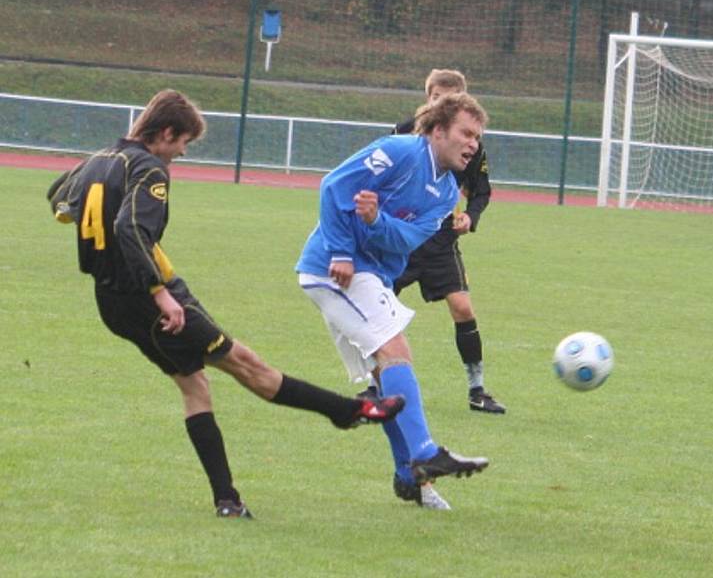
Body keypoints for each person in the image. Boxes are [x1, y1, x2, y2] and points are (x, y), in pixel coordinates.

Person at [46, 89, 405, 520]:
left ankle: (227, 499)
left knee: (194, 384)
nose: (181, 152)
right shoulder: (150, 168)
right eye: (183, 142)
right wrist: (160, 293)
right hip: (150, 296)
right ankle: (347, 411)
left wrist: (87, 217)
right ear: (165, 132)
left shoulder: (101, 159)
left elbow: (58, 199)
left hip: (111, 301)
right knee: (247, 365)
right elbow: (131, 228)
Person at [296, 92, 490, 511]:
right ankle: (423, 452)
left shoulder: (445, 193)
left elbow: (404, 239)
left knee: (386, 375)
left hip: (372, 275)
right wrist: (343, 252)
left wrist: (375, 219)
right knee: (396, 349)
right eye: (466, 133)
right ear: (438, 131)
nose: (473, 144)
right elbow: (334, 186)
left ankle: (409, 477)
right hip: (333, 268)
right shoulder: (399, 151)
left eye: (478, 137)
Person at [361, 69, 505, 414]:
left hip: (440, 240)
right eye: (436, 97)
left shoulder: (470, 145)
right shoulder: (402, 134)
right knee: (379, 313)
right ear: (428, 97)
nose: (440, 103)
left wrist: (470, 216)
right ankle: (372, 387)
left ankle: (477, 389)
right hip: (399, 240)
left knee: (463, 308)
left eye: (449, 99)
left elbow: (481, 191)